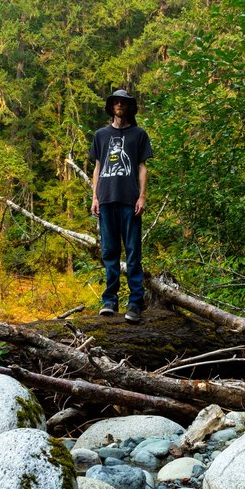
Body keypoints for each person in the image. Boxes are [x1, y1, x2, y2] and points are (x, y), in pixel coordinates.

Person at [89, 89, 153, 323]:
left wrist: (142, 197)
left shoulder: (138, 135)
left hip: (130, 201)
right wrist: (95, 197)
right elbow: (97, 167)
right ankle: (110, 300)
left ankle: (135, 302)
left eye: (123, 102)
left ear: (129, 107)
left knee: (134, 252)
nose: (119, 105)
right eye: (116, 102)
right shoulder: (101, 135)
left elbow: (142, 167)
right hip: (106, 200)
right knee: (109, 252)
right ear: (111, 106)